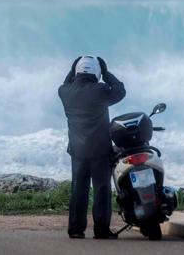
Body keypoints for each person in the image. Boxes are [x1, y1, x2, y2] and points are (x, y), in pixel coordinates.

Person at [58, 55, 126, 239]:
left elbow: (67, 82)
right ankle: (101, 230)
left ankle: (75, 229)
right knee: (101, 190)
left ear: (76, 71)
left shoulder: (65, 92)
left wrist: (72, 71)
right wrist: (106, 72)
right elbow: (120, 91)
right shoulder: (101, 90)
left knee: (78, 190)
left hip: (77, 151)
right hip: (100, 150)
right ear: (96, 72)